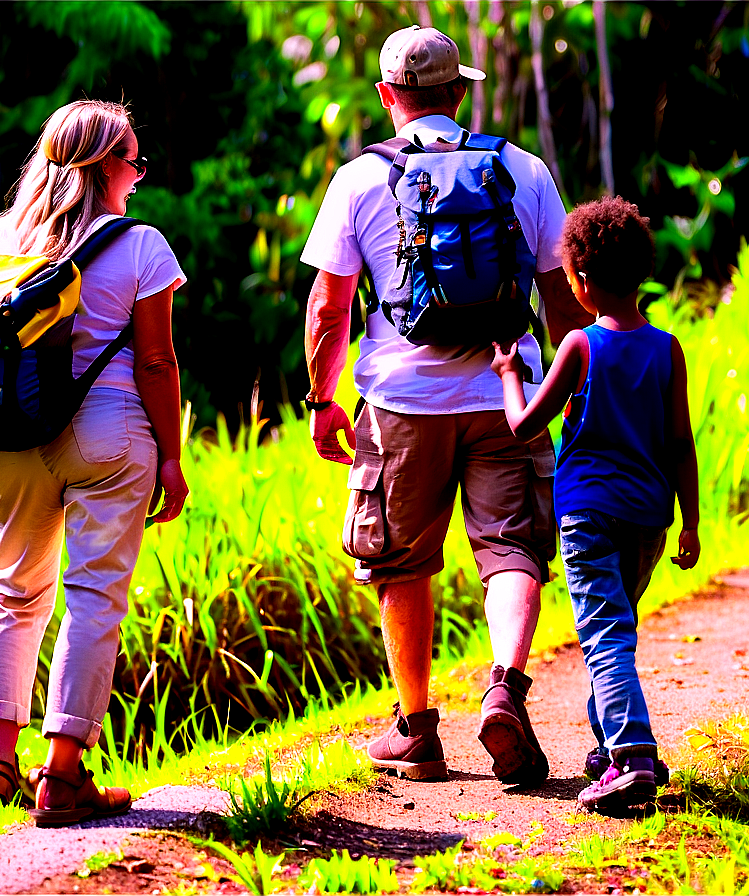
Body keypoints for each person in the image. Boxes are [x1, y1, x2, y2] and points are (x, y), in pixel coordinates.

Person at [300, 25, 593, 786]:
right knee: (511, 546)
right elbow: (560, 292)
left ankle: (418, 730)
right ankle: (504, 685)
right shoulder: (521, 169)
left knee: (400, 557)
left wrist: (322, 399)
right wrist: (573, 390)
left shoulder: (359, 179)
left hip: (400, 401)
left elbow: (330, 307)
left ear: (388, 95)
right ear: (460, 92)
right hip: (511, 393)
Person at [0, 99, 189, 826]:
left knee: (13, 589)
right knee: (92, 596)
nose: (140, 175)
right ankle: (61, 777)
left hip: (7, 433)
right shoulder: (140, 243)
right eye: (132, 160)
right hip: (107, 434)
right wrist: (172, 458)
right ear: (102, 167)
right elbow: (154, 359)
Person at [491, 195, 701, 811]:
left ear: (579, 280)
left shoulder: (580, 346)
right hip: (648, 518)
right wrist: (692, 523)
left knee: (605, 635)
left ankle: (633, 755)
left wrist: (508, 372)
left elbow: (526, 424)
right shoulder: (668, 350)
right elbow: (680, 442)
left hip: (587, 514)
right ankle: (611, 747)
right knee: (616, 632)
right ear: (640, 273)